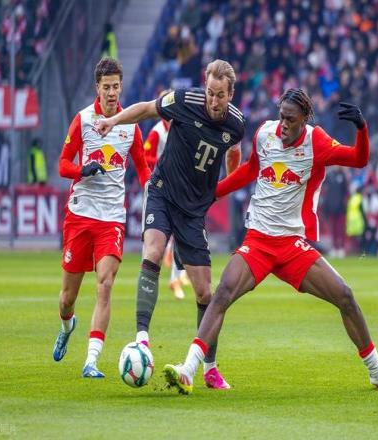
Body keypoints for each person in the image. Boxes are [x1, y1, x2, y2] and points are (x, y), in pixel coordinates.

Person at [163, 89, 378, 394]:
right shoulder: (265, 134)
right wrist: (213, 194)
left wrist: (361, 129)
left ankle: (377, 372)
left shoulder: (317, 142)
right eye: (281, 116)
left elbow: (359, 159)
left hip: (292, 245)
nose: (283, 124)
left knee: (345, 296)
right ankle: (188, 369)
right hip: (258, 240)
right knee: (223, 292)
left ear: (304, 119)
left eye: (290, 120)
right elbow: (249, 171)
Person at [95, 59, 245, 389]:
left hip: (193, 211)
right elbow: (146, 109)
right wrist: (113, 120)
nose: (213, 100)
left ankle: (210, 368)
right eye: (210, 92)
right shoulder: (184, 100)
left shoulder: (236, 124)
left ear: (231, 94)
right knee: (152, 251)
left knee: (205, 291)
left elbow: (234, 153)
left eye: (220, 95)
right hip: (163, 192)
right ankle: (142, 339)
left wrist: (226, 183)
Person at [52, 57, 151, 378]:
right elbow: (62, 164)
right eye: (106, 87)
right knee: (67, 299)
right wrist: (82, 170)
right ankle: (67, 326)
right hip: (80, 215)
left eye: (116, 87)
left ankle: (91, 361)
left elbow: (142, 167)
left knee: (105, 284)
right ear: (97, 87)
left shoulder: (130, 125)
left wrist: (153, 190)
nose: (111, 92)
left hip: (111, 219)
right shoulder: (83, 120)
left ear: (121, 87)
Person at [143, 102, 191, 300]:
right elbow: (145, 156)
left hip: (177, 186)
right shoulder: (157, 132)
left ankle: (176, 277)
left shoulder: (180, 129)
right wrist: (164, 164)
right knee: (153, 237)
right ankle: (150, 279)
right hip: (158, 187)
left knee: (180, 233)